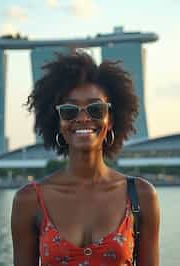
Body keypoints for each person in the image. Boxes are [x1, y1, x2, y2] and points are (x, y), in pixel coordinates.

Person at [11, 52, 160, 266]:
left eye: (96, 109)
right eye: (70, 111)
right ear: (58, 122)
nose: (82, 118)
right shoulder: (29, 200)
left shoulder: (142, 196)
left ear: (110, 120)